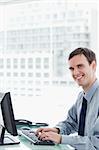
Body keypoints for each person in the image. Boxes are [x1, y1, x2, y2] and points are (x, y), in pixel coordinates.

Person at [36, 47, 99, 150]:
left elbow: (97, 142)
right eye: (72, 68)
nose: (75, 73)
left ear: (93, 66)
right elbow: (71, 122)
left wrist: (61, 139)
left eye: (80, 66)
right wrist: (56, 130)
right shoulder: (82, 97)